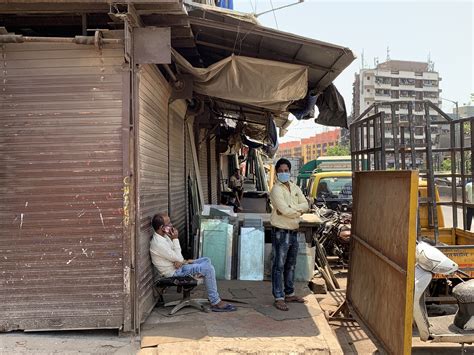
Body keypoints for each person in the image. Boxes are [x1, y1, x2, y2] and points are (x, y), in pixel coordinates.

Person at [149, 213, 236, 312]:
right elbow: (178, 257)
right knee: (208, 268)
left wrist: (181, 261)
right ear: (162, 227)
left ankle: (198, 272)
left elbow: (177, 256)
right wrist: (175, 239)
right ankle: (215, 301)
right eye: (169, 223)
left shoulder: (164, 237)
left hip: (178, 267)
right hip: (174, 273)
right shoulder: (159, 243)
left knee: (206, 260)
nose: (172, 225)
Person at [269, 158, 309, 311]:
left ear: (290, 171)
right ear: (277, 173)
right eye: (280, 171)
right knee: (278, 265)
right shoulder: (276, 190)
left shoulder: (294, 187)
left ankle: (289, 293)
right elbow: (283, 210)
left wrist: (292, 209)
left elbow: (305, 204)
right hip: (280, 232)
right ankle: (279, 297)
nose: (283, 173)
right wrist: (296, 211)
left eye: (286, 171)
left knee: (290, 265)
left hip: (293, 231)